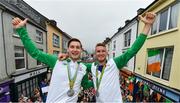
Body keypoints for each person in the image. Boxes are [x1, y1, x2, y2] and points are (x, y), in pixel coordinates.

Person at [59, 12, 156, 102]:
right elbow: (77, 63)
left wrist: (147, 26)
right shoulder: (91, 66)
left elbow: (132, 51)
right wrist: (68, 55)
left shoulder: (114, 63)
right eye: (98, 51)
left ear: (106, 53)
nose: (100, 53)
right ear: (95, 54)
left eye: (103, 51)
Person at [12, 18, 93, 102]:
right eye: (72, 47)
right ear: (68, 49)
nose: (75, 49)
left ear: (81, 50)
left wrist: (100, 81)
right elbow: (35, 52)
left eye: (78, 47)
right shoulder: (57, 60)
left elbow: (86, 84)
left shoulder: (83, 67)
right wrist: (21, 30)